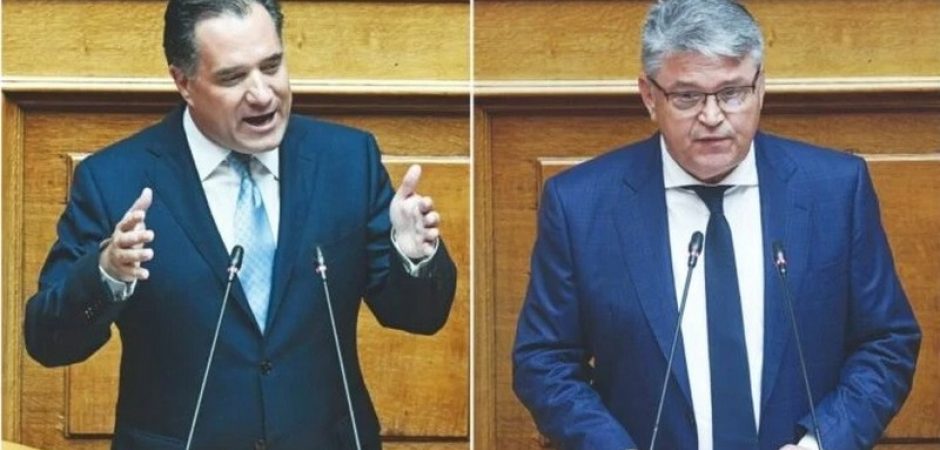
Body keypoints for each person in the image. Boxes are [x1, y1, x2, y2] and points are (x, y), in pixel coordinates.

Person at [24, 0, 457, 448]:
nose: (263, 94)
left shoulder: (346, 161)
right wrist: (106, 275)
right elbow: (48, 342)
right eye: (233, 77)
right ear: (183, 82)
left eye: (272, 66)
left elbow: (420, 317)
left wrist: (413, 255)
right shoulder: (115, 180)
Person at [512, 1, 921, 449]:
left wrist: (819, 444)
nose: (711, 117)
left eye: (732, 93)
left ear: (760, 87)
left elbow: (887, 342)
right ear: (649, 96)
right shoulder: (580, 205)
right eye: (687, 97)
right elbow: (544, 361)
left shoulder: (836, 191)